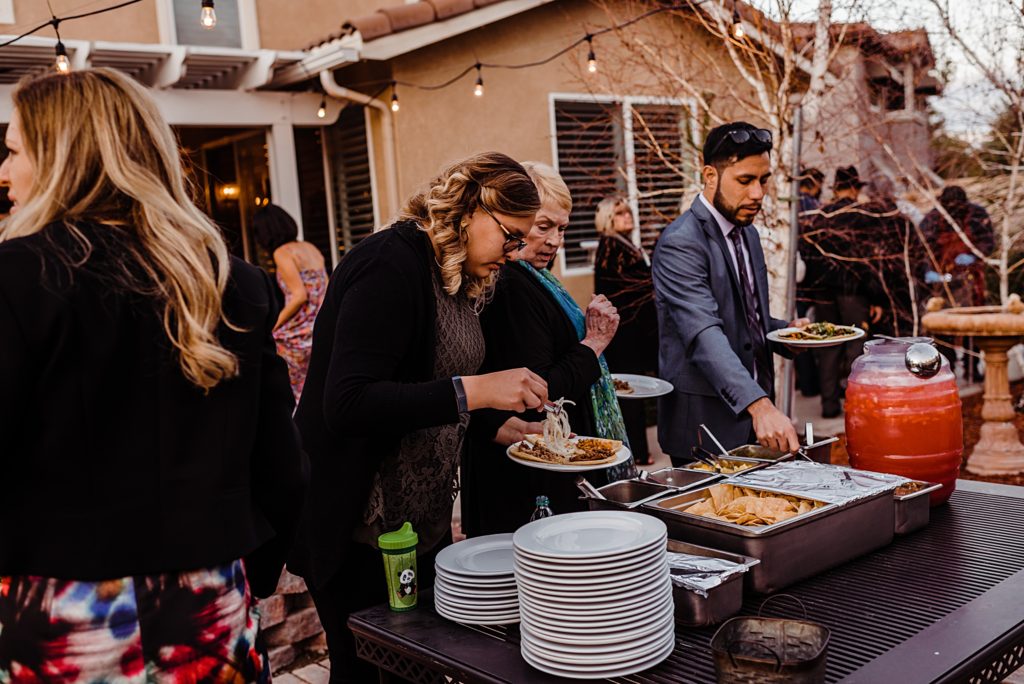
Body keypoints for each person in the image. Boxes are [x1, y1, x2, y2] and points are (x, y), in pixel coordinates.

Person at [0, 68, 305, 681]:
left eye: (12, 151)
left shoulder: (17, 277)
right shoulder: (232, 280)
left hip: (61, 614)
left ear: (64, 157)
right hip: (207, 603)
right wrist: (240, 568)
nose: (3, 172)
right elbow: (281, 467)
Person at [291, 152, 550, 682]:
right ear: (469, 210)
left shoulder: (457, 272)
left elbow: (423, 384)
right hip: (357, 524)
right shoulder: (389, 263)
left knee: (417, 669)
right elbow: (348, 403)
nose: (517, 252)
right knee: (366, 672)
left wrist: (491, 424)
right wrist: (475, 391)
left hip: (417, 520)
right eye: (511, 236)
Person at [462, 163, 631, 537]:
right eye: (543, 226)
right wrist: (594, 344)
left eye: (562, 228)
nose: (555, 241)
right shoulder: (510, 286)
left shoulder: (533, 277)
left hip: (542, 465)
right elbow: (541, 392)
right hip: (528, 481)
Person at [652, 121, 805, 463]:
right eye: (745, 181)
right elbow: (704, 333)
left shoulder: (747, 232)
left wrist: (784, 332)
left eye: (763, 180)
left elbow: (745, 318)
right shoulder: (681, 242)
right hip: (704, 427)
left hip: (754, 418)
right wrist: (760, 405)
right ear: (709, 176)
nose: (758, 194)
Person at [810, 165, 884, 418]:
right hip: (853, 289)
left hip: (823, 290)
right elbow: (868, 259)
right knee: (856, 347)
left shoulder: (821, 216)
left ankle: (829, 404)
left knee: (829, 347)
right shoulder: (861, 216)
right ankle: (857, 404)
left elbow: (810, 255)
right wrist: (875, 296)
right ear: (854, 188)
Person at [593, 195, 658, 464]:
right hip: (626, 333)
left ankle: (637, 452)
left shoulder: (623, 244)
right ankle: (636, 453)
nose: (627, 216)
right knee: (630, 392)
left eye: (629, 212)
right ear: (609, 218)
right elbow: (629, 290)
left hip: (632, 331)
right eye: (620, 213)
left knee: (633, 391)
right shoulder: (612, 247)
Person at [920, 185, 995, 380]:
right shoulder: (932, 219)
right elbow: (921, 249)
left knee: (972, 323)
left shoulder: (977, 215)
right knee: (943, 325)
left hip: (971, 279)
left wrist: (974, 256)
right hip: (942, 281)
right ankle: (947, 366)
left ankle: (972, 367)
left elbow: (988, 243)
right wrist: (928, 271)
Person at [253, 204, 327, 400]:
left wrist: (273, 325)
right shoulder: (310, 248)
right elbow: (326, 289)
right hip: (321, 327)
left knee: (290, 388)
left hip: (300, 333)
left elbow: (299, 296)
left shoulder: (282, 253)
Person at [795, 168, 825, 397]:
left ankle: (806, 383)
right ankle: (813, 384)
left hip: (797, 283)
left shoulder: (793, 206)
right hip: (813, 280)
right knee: (813, 333)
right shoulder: (814, 208)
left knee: (798, 329)